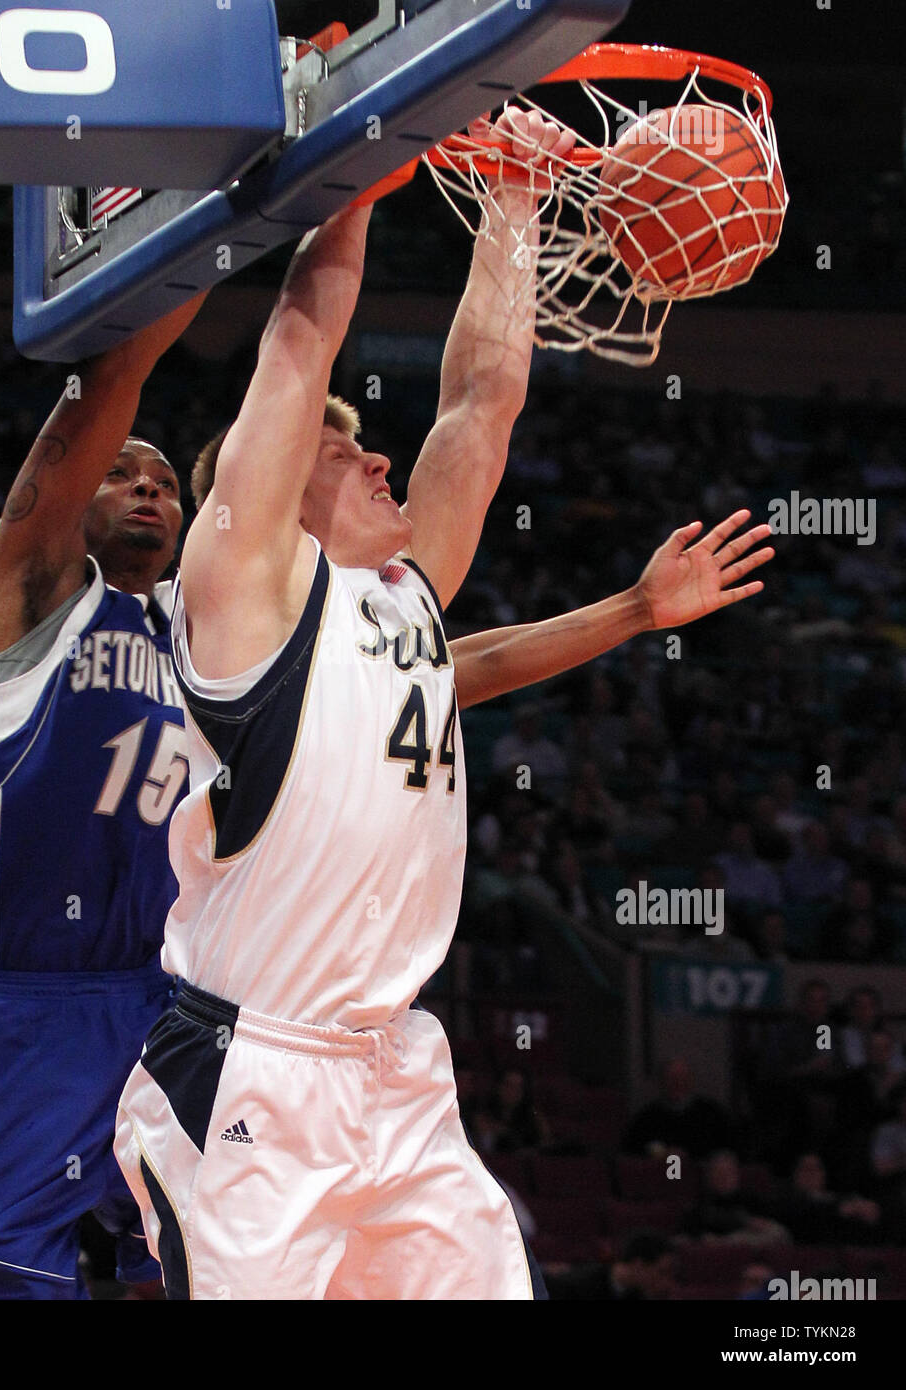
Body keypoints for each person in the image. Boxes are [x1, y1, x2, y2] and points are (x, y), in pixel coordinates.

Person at [115, 103, 775, 1300]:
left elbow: (478, 407)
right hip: (253, 1067)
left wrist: (513, 203)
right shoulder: (245, 589)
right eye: (343, 452)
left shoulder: (401, 602)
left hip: (398, 1068)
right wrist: (362, 158)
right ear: (269, 494)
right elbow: (297, 349)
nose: (378, 460)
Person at [0, 292, 208, 1299]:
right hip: (18, 1004)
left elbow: (407, 675)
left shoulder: (205, 646)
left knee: (200, 1273)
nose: (148, 489)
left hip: (165, 1001)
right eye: (121, 472)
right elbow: (101, 392)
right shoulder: (29, 590)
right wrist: (205, 225)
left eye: (166, 481)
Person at [545, 1231, 676, 1301]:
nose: (667, 1283)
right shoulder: (574, 1286)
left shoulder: (636, 1294)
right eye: (661, 1272)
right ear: (639, 1265)